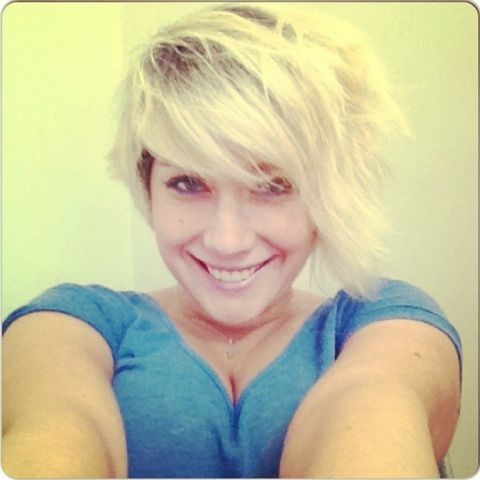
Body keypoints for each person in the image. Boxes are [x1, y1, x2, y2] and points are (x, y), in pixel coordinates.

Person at [2, 3, 461, 478]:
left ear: (327, 197)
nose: (227, 240)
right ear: (147, 187)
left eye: (273, 185)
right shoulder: (73, 323)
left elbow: (377, 409)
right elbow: (54, 425)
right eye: (188, 183)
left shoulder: (385, 322)